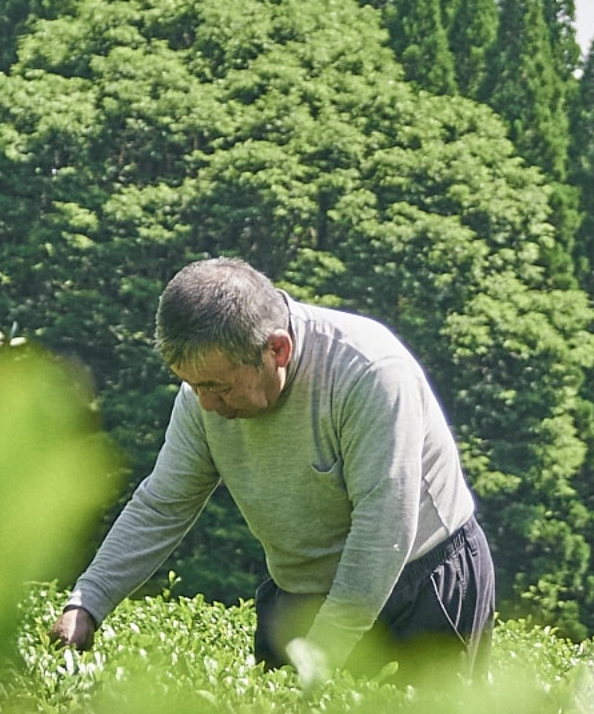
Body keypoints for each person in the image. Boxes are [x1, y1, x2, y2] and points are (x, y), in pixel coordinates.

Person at [47, 257, 493, 673]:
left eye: (218, 387)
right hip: (299, 591)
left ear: (277, 350)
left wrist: (321, 655)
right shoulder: (202, 397)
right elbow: (163, 505)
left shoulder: (369, 372)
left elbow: (383, 526)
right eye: (193, 385)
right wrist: (88, 601)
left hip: (418, 587)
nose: (206, 403)